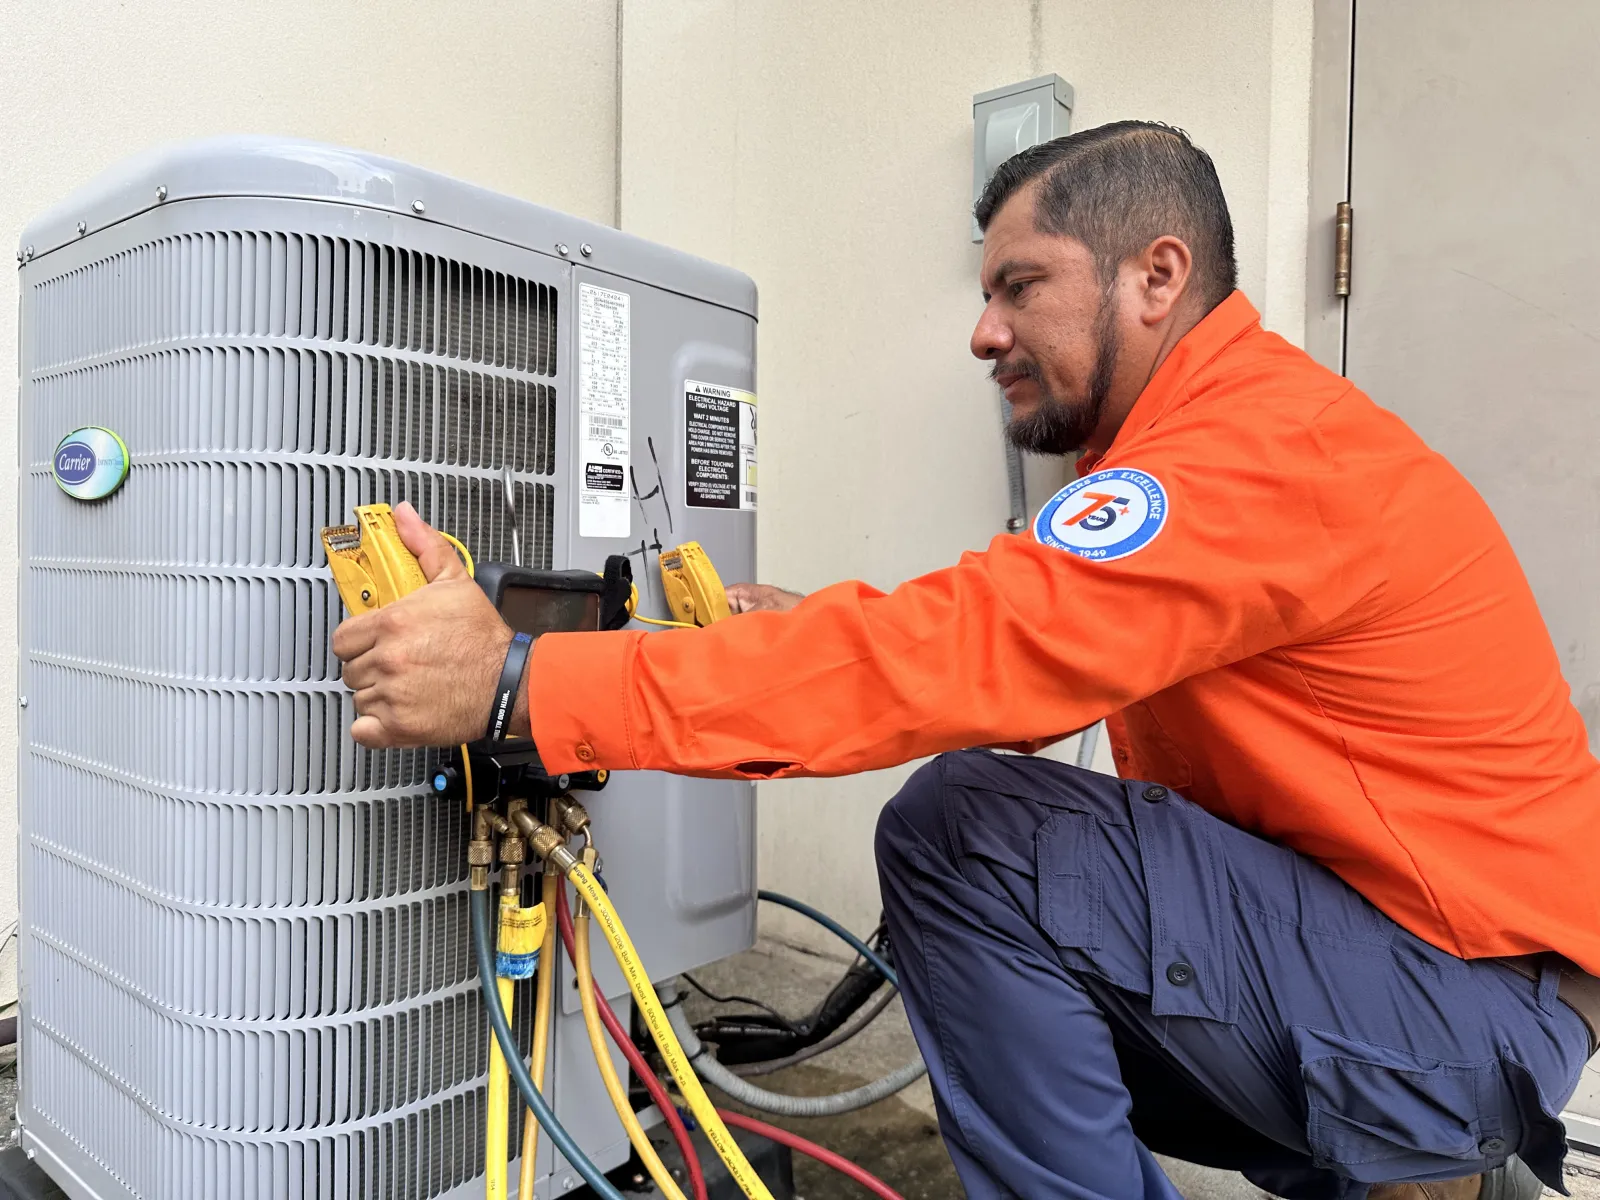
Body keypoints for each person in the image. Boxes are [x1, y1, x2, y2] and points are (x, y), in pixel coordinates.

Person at [332, 121, 1600, 1200]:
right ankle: (1427, 1158)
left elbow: (972, 658)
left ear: (1155, 275)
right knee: (999, 882)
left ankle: (1428, 1140)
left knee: (963, 833)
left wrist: (520, 687)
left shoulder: (1255, 454)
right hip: (1448, 987)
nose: (984, 334)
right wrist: (799, 629)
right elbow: (1014, 658)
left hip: (1458, 1003)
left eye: (1019, 286)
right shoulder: (1222, 445)